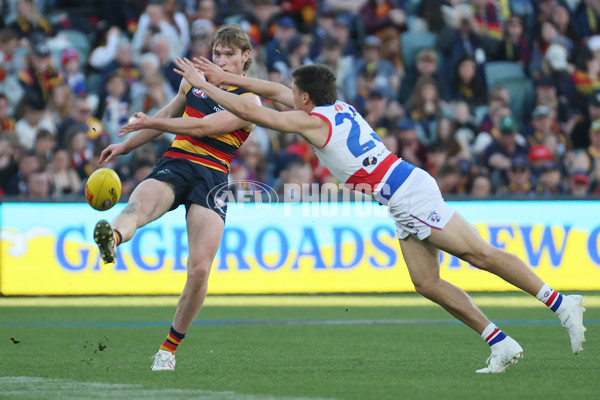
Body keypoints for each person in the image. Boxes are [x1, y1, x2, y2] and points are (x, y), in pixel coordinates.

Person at [132, 57, 587, 374]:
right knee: (426, 283)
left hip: (408, 192)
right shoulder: (332, 107)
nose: (288, 94)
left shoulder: (313, 122)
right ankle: (500, 342)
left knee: (480, 255)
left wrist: (206, 85)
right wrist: (217, 75)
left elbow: (256, 111)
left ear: (306, 97)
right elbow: (266, 90)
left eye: (295, 92)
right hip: (399, 195)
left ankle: (561, 304)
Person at [93, 24, 260, 372]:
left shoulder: (249, 101)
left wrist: (151, 122)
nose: (221, 60)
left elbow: (201, 127)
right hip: (176, 162)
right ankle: (113, 237)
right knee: (135, 209)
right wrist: (125, 146)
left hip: (212, 177)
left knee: (199, 269)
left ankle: (168, 349)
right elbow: (166, 118)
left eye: (229, 54)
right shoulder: (192, 81)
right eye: (217, 53)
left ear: (246, 57)